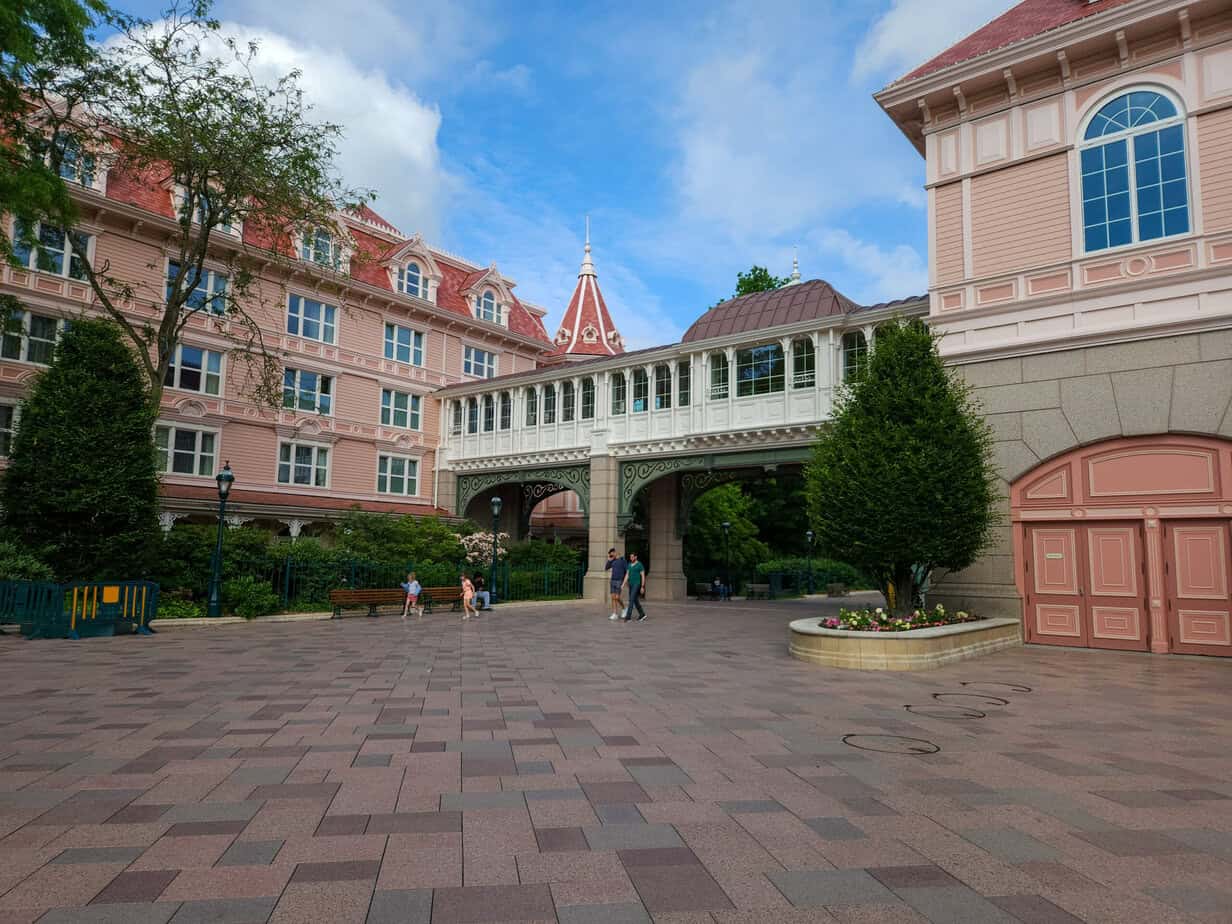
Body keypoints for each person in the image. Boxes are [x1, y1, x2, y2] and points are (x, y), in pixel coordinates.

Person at [622, 551, 647, 622]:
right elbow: (627, 575)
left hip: (637, 584)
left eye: (632, 557)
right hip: (630, 584)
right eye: (630, 557)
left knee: (631, 600)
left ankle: (628, 617)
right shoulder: (629, 565)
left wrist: (642, 586)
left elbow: (642, 576)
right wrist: (623, 584)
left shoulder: (639, 565)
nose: (631, 558)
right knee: (635, 600)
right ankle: (642, 614)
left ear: (636, 557)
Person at [604, 547, 627, 620]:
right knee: (613, 597)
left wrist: (625, 582)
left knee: (617, 597)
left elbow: (627, 571)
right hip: (613, 580)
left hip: (619, 580)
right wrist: (609, 560)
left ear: (615, 552)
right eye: (610, 555)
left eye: (611, 554)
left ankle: (624, 608)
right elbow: (606, 568)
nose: (611, 556)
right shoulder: (612, 561)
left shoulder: (622, 560)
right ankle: (615, 613)